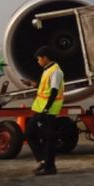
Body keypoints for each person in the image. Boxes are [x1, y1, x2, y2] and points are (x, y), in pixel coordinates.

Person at [27, 46, 65, 176]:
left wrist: (46, 109)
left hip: (48, 110)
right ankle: (44, 161)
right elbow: (47, 88)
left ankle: (50, 166)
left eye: (39, 58)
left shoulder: (55, 71)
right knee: (31, 133)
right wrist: (35, 85)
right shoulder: (47, 69)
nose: (38, 61)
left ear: (45, 58)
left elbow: (54, 91)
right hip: (40, 108)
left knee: (48, 138)